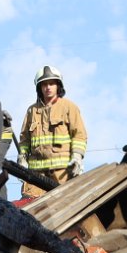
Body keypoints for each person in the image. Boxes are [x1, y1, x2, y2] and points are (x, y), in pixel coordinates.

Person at [18, 65, 88, 198]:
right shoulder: (32, 111)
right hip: (36, 175)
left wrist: (77, 156)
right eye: (44, 84)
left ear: (58, 86)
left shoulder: (69, 107)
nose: (48, 87)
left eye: (51, 84)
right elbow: (25, 139)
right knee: (29, 207)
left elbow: (79, 135)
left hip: (62, 174)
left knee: (66, 205)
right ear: (39, 88)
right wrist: (22, 157)